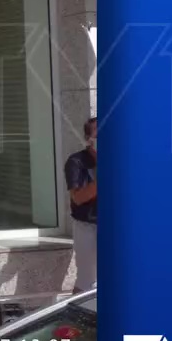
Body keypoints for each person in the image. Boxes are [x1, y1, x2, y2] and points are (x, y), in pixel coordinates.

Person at [65, 116, 97, 293]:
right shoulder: (76, 162)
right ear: (88, 139)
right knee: (87, 281)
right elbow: (78, 197)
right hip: (88, 226)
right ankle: (78, 319)